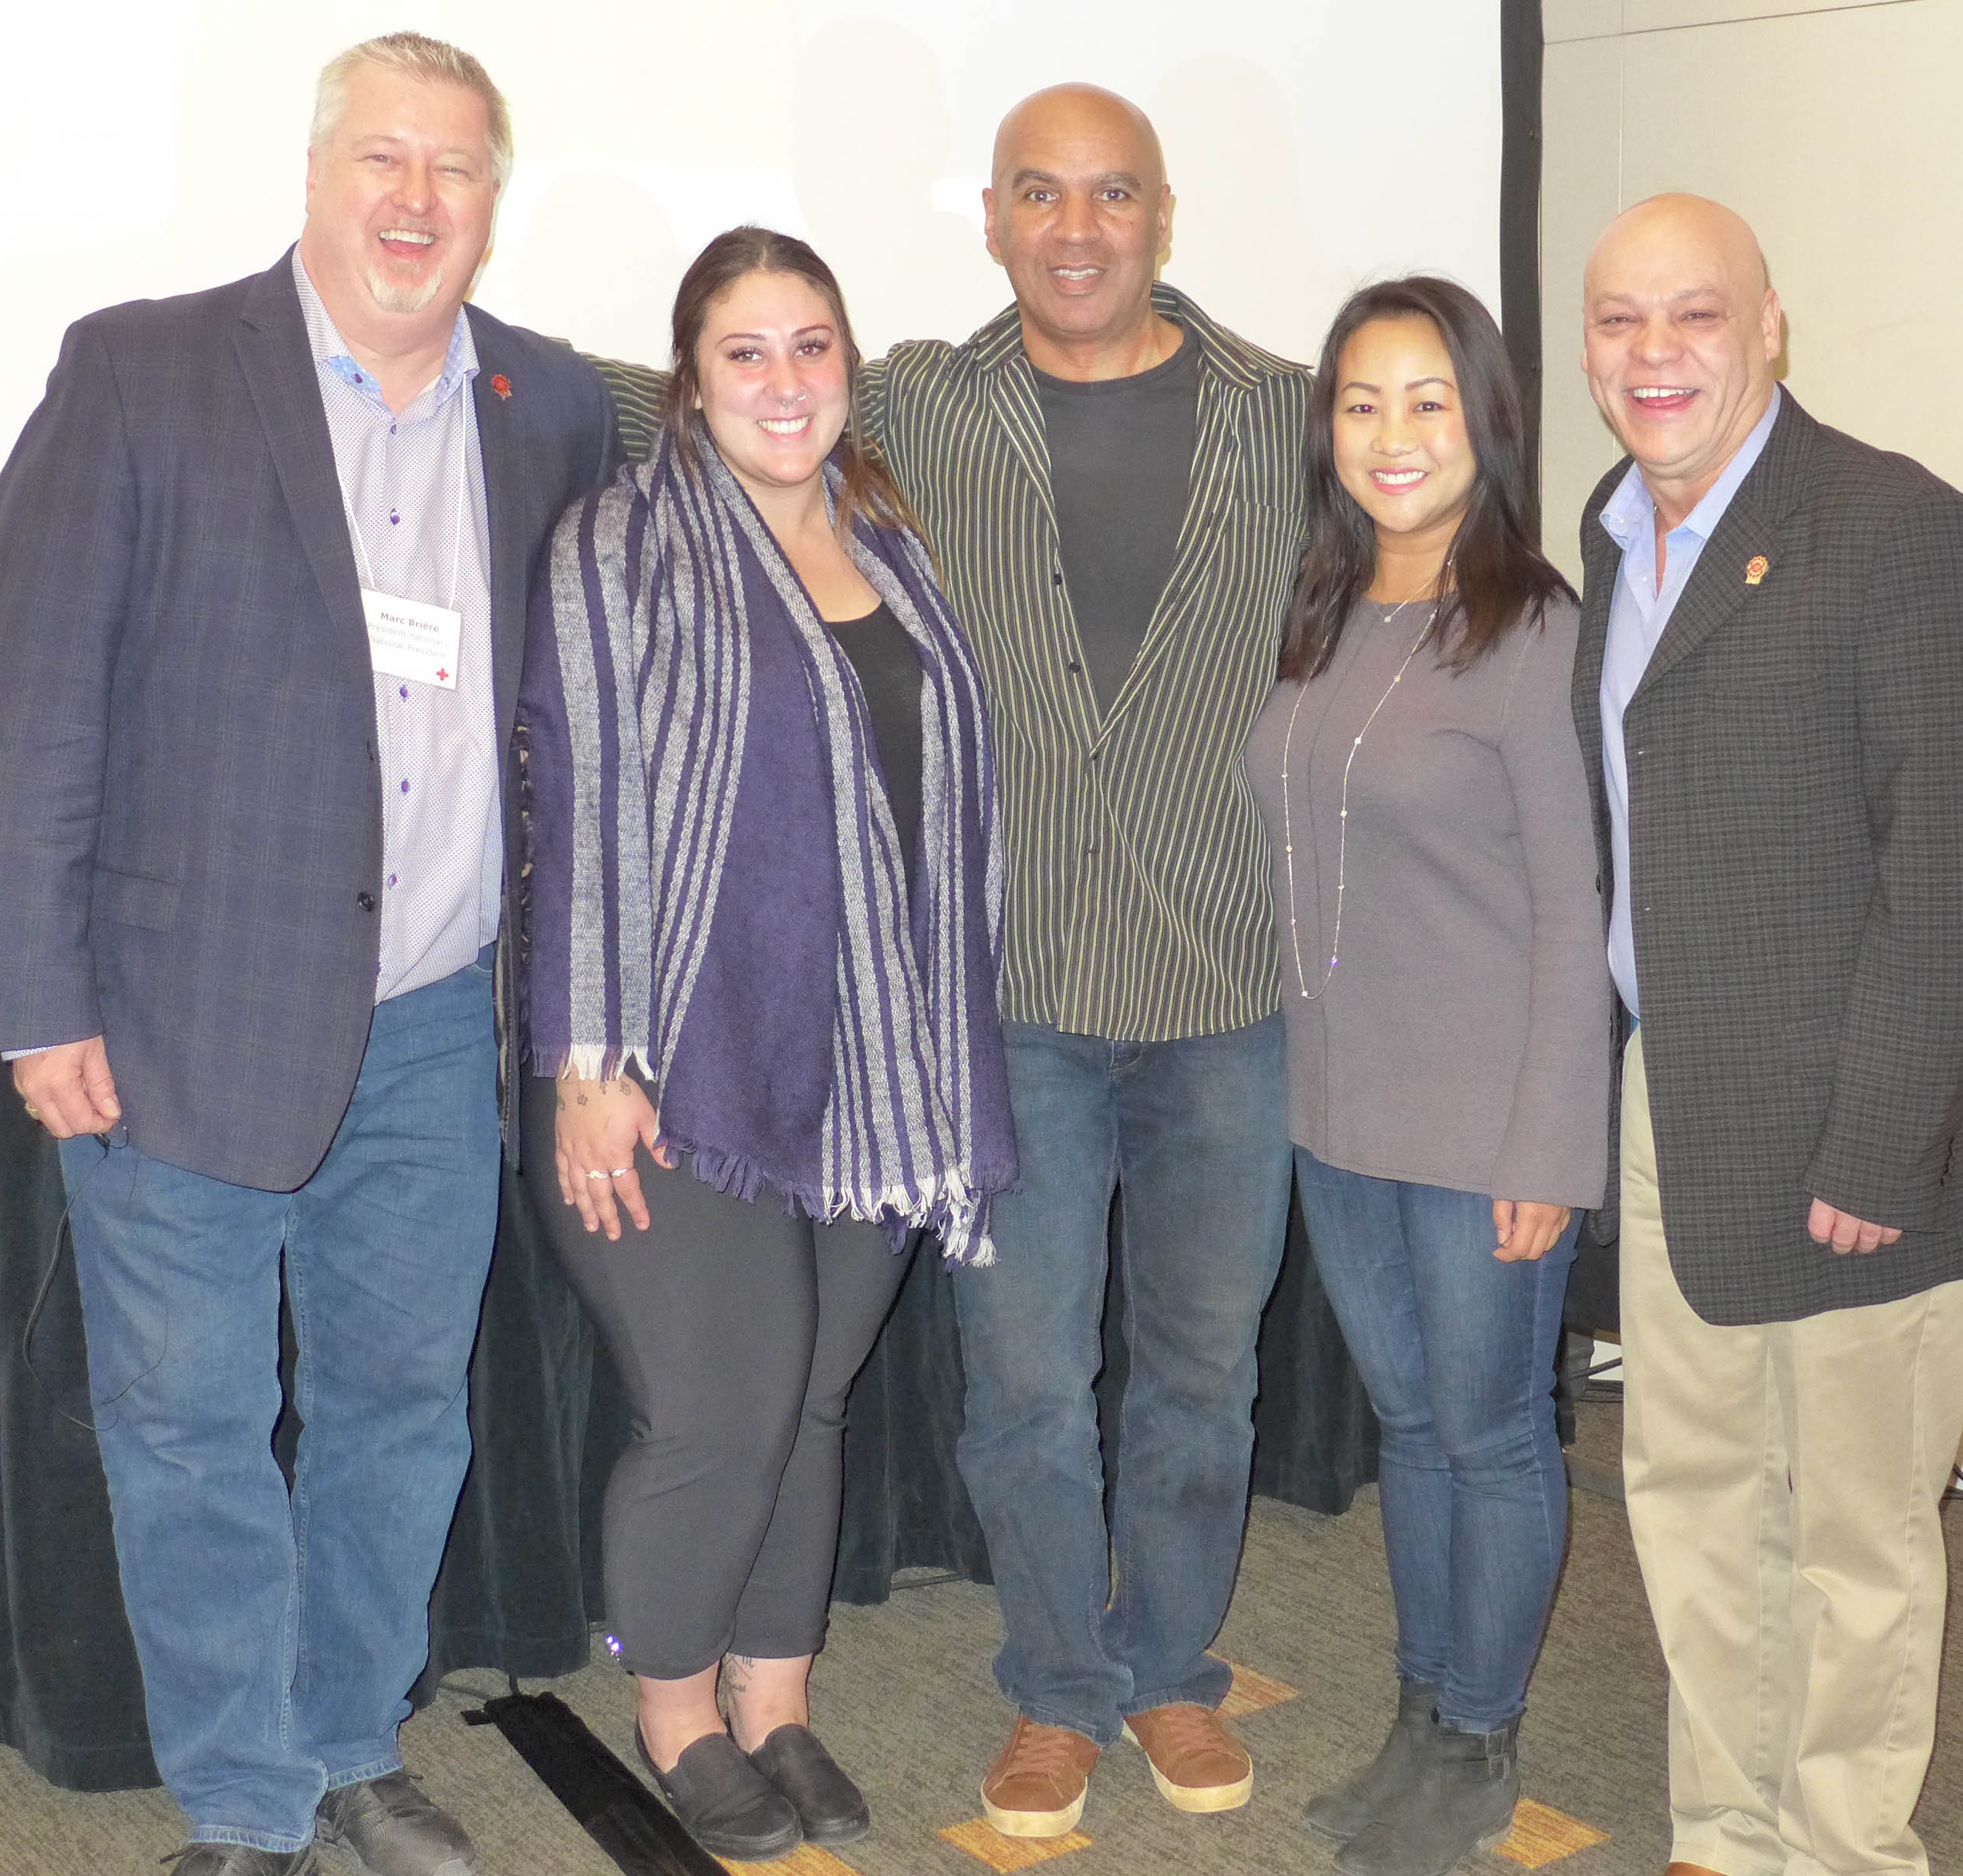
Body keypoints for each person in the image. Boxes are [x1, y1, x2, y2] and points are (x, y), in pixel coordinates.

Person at [577, 80, 1307, 1839]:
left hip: (1231, 990)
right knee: (1032, 1390)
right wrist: (441, 328)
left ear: (1162, 213)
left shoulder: (1289, 418)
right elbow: (673, 384)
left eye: (1111, 194)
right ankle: (1059, 1688)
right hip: (1011, 1004)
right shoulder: (915, 400)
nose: (1076, 228)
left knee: (1207, 1376)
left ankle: (1171, 1674)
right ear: (990, 218)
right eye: (1039, 195)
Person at [0, 35, 622, 1876]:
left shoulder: (551, 405)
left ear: (494, 200)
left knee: (401, 1414)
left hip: (434, 1025)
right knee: (193, 1431)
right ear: (318, 177)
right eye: (383, 161)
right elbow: (23, 697)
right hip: (177, 1022)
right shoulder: (148, 370)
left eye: (455, 170)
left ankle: (345, 1746)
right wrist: (34, 1002)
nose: (416, 201)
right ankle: (246, 1802)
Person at [517, 225, 1017, 1863]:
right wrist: (590, 1058)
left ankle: (779, 1700)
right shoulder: (616, 546)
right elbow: (582, 796)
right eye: (747, 351)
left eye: (812, 344)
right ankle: (671, 1714)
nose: (785, 380)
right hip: (678, 1065)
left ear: (848, 365)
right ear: (691, 378)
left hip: (872, 1065)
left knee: (812, 1400)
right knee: (724, 1405)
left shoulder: (898, 541)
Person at [1570, 194, 1963, 1876]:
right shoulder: (1614, 534)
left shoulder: (1901, 530)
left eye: (1694, 314)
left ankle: (1840, 1850)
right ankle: (1728, 1830)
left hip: (1855, 1129)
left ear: (1770, 325)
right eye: (1620, 320)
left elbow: (1961, 866)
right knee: (1694, 1503)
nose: (1654, 352)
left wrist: (1880, 1143)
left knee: (1853, 1540)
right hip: (1677, 1101)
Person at [1243, 278, 1608, 1876]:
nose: (1393, 436)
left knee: (1491, 1430)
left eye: (1428, 403)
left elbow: (1570, 910)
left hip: (1483, 1123)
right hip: (1340, 1110)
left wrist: (1552, 1145)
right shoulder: (1324, 611)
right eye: (1362, 403)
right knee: (1406, 1423)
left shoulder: (1533, 628)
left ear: (1486, 426)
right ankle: (1421, 1709)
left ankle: (1479, 1731)